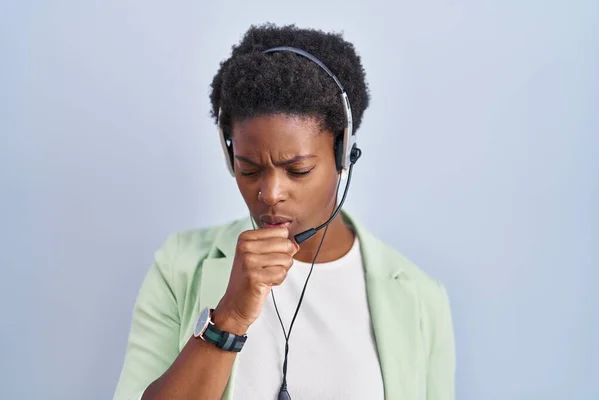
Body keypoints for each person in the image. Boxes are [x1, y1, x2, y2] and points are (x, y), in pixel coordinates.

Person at [113, 23, 455, 400]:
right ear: (230, 158)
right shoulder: (180, 265)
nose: (270, 194)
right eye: (249, 169)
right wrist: (229, 318)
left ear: (343, 155)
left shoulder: (421, 298)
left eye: (298, 170)